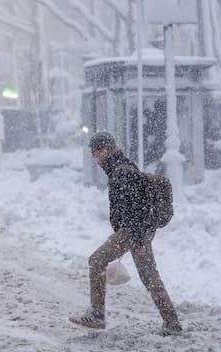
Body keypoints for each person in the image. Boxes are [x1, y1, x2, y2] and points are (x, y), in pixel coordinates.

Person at [70, 132, 181, 335]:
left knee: (96, 261)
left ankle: (97, 315)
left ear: (106, 150)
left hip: (134, 231)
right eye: (94, 153)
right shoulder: (121, 168)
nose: (96, 157)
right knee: (149, 277)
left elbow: (136, 210)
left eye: (97, 152)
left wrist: (136, 241)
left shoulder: (122, 172)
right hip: (136, 231)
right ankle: (172, 323)